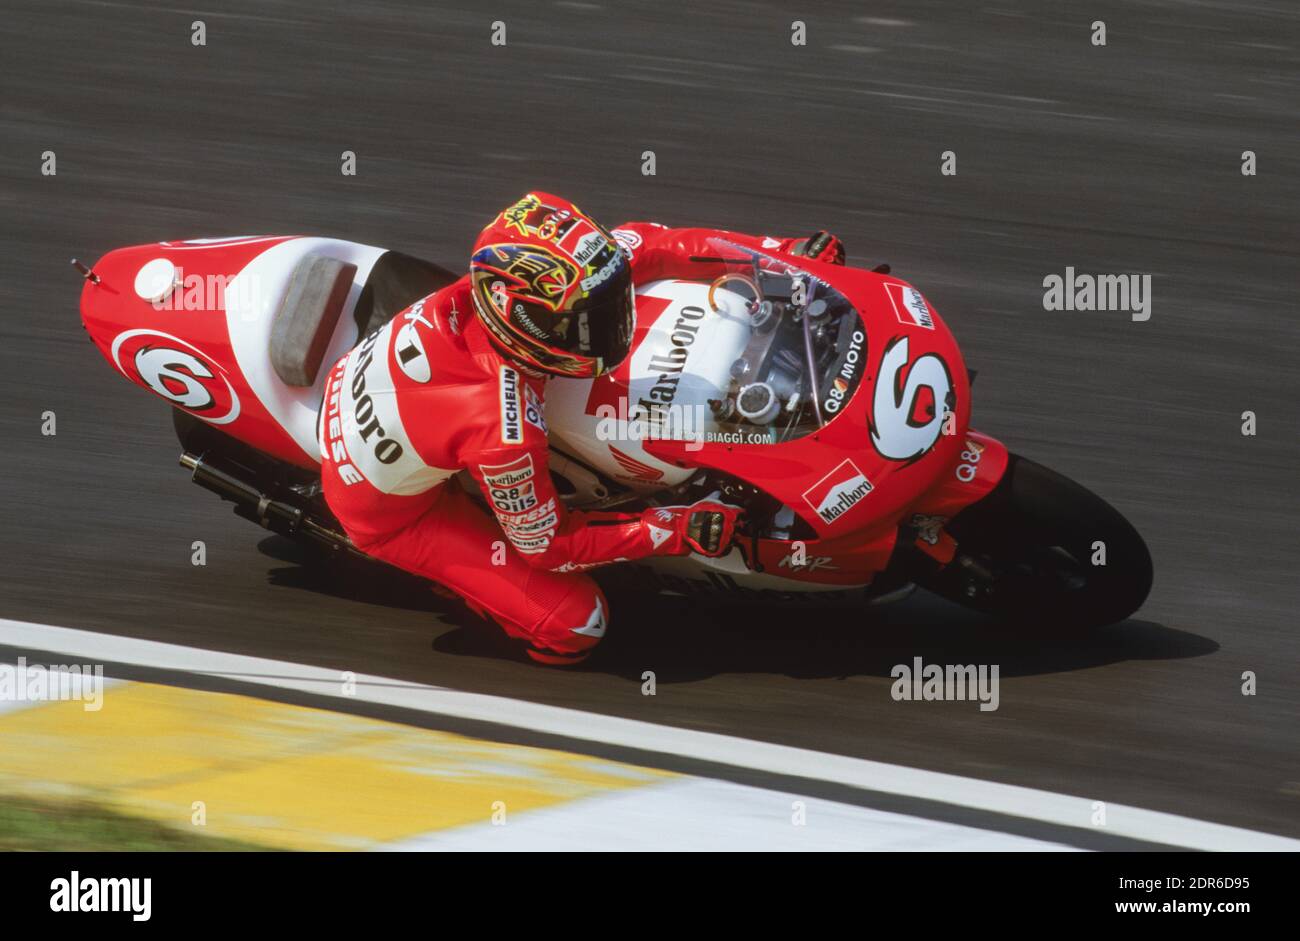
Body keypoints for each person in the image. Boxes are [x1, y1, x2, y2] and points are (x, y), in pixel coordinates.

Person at [319, 192, 844, 664]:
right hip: (393, 511)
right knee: (575, 626)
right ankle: (463, 585)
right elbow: (549, 547)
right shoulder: (504, 428)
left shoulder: (555, 279)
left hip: (414, 392)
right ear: (526, 325)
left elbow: (653, 243)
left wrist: (780, 253)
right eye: (591, 321)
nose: (617, 319)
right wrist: (674, 529)